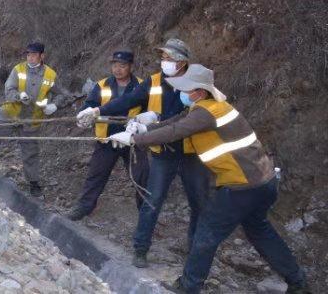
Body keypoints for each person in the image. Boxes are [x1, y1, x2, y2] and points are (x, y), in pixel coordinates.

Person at [109, 65, 311, 294]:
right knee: (260, 231)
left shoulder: (205, 113)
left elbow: (176, 132)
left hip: (242, 186)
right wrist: (143, 127)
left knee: (206, 232)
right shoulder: (207, 107)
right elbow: (173, 123)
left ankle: (189, 286)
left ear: (199, 91)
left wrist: (135, 140)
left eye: (186, 89)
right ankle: (297, 281)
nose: (181, 93)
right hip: (263, 182)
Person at [75, 39, 210, 267]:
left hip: (191, 152)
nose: (164, 62)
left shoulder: (196, 82)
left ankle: (195, 248)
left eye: (169, 58)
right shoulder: (155, 80)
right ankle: (140, 248)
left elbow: (188, 117)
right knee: (152, 199)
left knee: (199, 202)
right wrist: (98, 109)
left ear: (182, 61)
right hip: (163, 153)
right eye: (163, 58)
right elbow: (128, 100)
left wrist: (150, 124)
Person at [0, 42, 68, 197]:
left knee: (30, 151)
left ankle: (33, 183)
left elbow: (62, 94)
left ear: (42, 56)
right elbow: (9, 89)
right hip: (10, 113)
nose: (30, 58)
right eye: (28, 55)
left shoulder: (50, 75)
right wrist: (18, 96)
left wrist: (54, 105)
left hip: (31, 119)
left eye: (34, 55)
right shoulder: (18, 69)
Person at [67, 50, 150, 221]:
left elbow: (150, 112)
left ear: (131, 66)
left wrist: (139, 126)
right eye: (115, 65)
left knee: (142, 177)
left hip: (132, 140)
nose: (118, 69)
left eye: (122, 65)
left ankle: (147, 213)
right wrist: (84, 116)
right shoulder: (102, 85)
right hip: (106, 139)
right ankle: (84, 207)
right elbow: (89, 106)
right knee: (96, 175)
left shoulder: (142, 85)